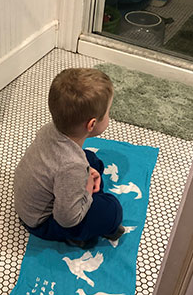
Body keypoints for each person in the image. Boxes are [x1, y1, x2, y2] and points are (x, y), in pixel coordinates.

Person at [14, 68, 124, 248]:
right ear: (92, 124)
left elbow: (63, 167)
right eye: (108, 113)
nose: (109, 117)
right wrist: (87, 189)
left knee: (91, 159)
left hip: (33, 202)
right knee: (111, 210)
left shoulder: (50, 129)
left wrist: (85, 174)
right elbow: (66, 219)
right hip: (44, 223)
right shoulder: (71, 165)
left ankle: (89, 199)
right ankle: (77, 236)